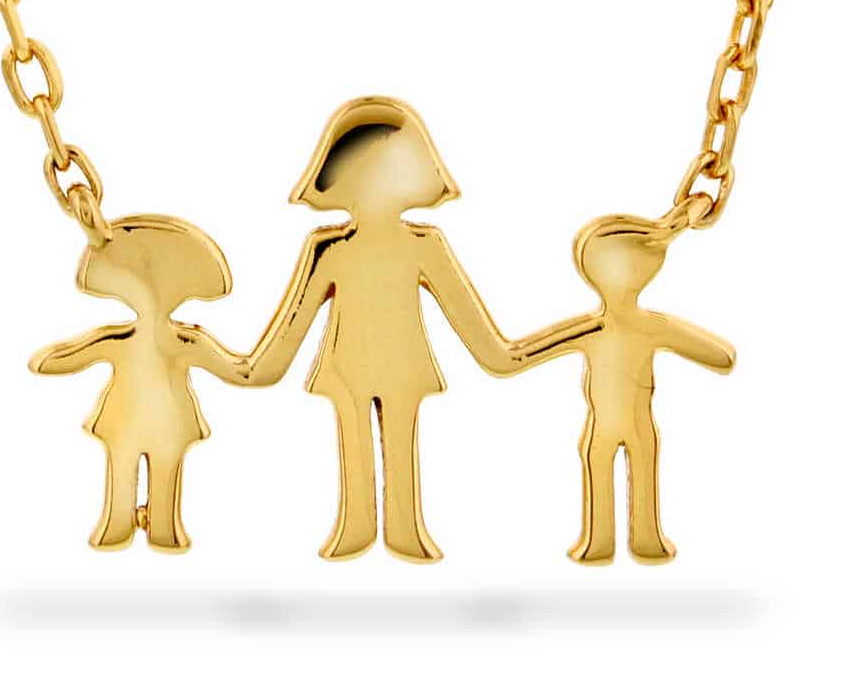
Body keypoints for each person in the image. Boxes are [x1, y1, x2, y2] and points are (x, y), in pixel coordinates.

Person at [242, 97, 518, 562]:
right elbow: (294, 323)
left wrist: (507, 356)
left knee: (396, 437)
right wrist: (254, 368)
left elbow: (469, 320)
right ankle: (359, 526)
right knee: (358, 436)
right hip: (351, 364)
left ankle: (402, 529)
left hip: (398, 364)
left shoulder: (424, 246)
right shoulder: (330, 249)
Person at [514, 211, 736, 564]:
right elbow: (721, 357)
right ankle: (614, 541)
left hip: (617, 425)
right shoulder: (639, 327)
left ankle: (625, 541)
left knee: (617, 465)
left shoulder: (613, 328)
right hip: (622, 425)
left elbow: (525, 354)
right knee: (623, 465)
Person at [30, 215, 247, 552]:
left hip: (150, 422)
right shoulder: (154, 340)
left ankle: (158, 528)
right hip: (140, 420)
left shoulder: (181, 342)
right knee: (132, 465)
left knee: (156, 466)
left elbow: (63, 358)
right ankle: (128, 526)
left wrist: (49, 361)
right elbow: (237, 370)